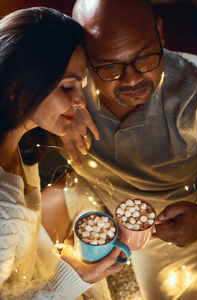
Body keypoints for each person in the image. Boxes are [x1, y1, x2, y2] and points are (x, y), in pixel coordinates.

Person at [59, 0, 197, 298]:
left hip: (177, 224)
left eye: (145, 58)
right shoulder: (62, 92)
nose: (133, 78)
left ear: (160, 33)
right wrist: (59, 112)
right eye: (110, 66)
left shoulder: (194, 93)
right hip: (96, 207)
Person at [0, 7, 123, 299]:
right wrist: (67, 282)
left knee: (75, 195)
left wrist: (66, 110)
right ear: (18, 90)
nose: (80, 101)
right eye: (68, 86)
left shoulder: (13, 131)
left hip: (22, 253)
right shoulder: (5, 214)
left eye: (80, 84)